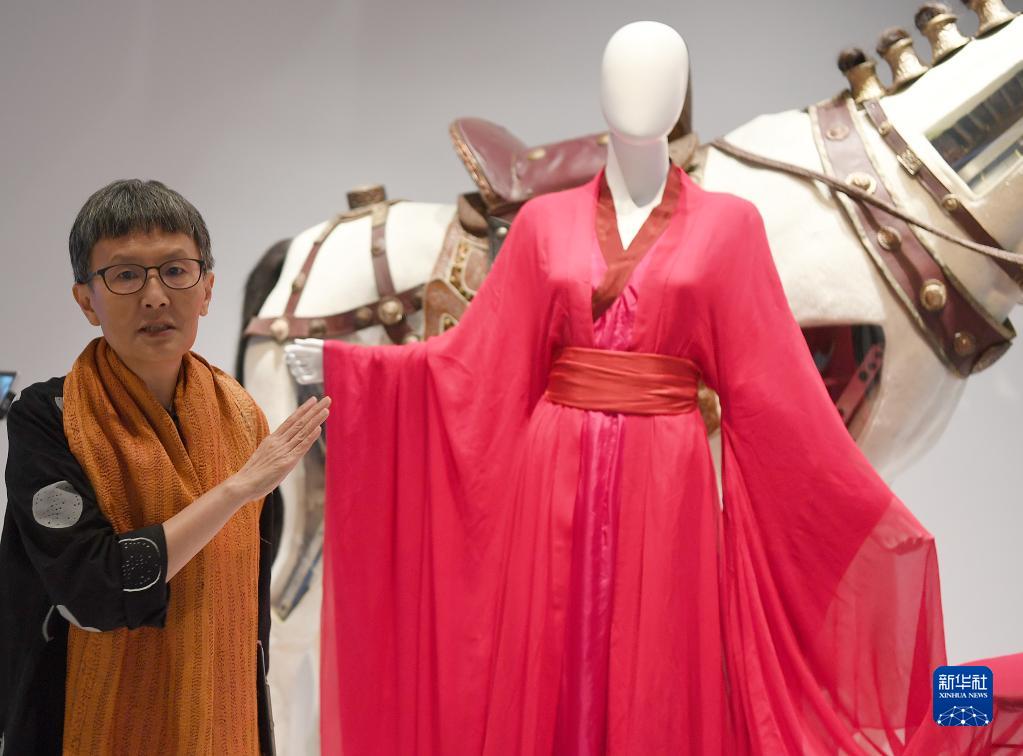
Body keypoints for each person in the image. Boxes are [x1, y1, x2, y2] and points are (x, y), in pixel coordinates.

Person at [308, 23, 949, 755]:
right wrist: (350, 369)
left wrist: (871, 514)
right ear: (600, 90)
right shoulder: (543, 222)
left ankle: (945, 706)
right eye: (621, 74)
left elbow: (775, 394)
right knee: (547, 646)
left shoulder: (730, 226)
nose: (637, 93)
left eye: (656, 76)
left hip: (665, 474)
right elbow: (474, 362)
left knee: (658, 664)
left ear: (681, 97)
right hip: (552, 469)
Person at [0, 179, 330, 755]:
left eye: (176, 271)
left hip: (224, 720)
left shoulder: (242, 416)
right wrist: (236, 490)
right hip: (79, 722)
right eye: (126, 275)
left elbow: (251, 614)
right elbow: (96, 589)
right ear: (86, 301)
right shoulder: (49, 417)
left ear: (206, 290)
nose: (154, 296)